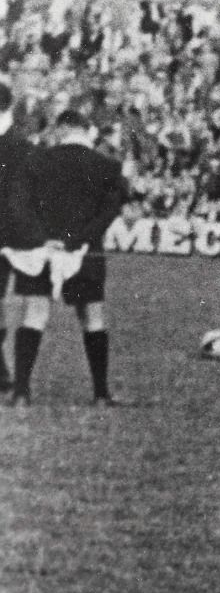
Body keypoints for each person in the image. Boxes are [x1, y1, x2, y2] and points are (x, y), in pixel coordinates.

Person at [6, 107, 127, 406]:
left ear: (60, 129)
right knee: (92, 316)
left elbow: (18, 206)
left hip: (41, 251)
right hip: (86, 251)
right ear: (85, 130)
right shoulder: (107, 165)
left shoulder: (36, 161)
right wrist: (77, 240)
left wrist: (42, 239)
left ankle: (21, 392)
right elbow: (109, 212)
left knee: (34, 313)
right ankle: (101, 395)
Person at [0, 80, 45, 393]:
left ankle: (6, 375)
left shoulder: (22, 147)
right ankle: (6, 374)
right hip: (24, 235)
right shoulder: (27, 147)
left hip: (17, 234)